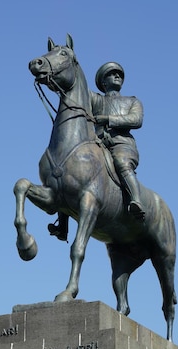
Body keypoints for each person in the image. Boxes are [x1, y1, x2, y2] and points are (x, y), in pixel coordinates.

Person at [48, 61, 145, 241]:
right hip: (97, 145)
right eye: (112, 74)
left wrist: (107, 119)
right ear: (104, 82)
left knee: (122, 164)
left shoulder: (132, 101)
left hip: (120, 145)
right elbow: (77, 93)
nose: (117, 76)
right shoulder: (96, 99)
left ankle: (136, 200)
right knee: (70, 173)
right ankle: (62, 226)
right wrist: (56, 79)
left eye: (119, 74)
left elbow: (136, 120)